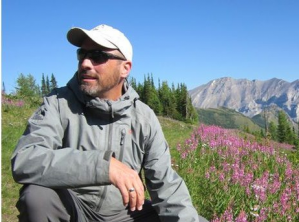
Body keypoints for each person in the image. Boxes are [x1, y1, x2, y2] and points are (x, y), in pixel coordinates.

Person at [11, 24, 208, 222]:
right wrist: (105, 167)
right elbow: (26, 159)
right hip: (73, 208)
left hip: (125, 214)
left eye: (97, 56)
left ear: (125, 68)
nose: (85, 63)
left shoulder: (143, 117)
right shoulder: (58, 103)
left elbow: (166, 185)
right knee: (37, 196)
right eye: (82, 54)